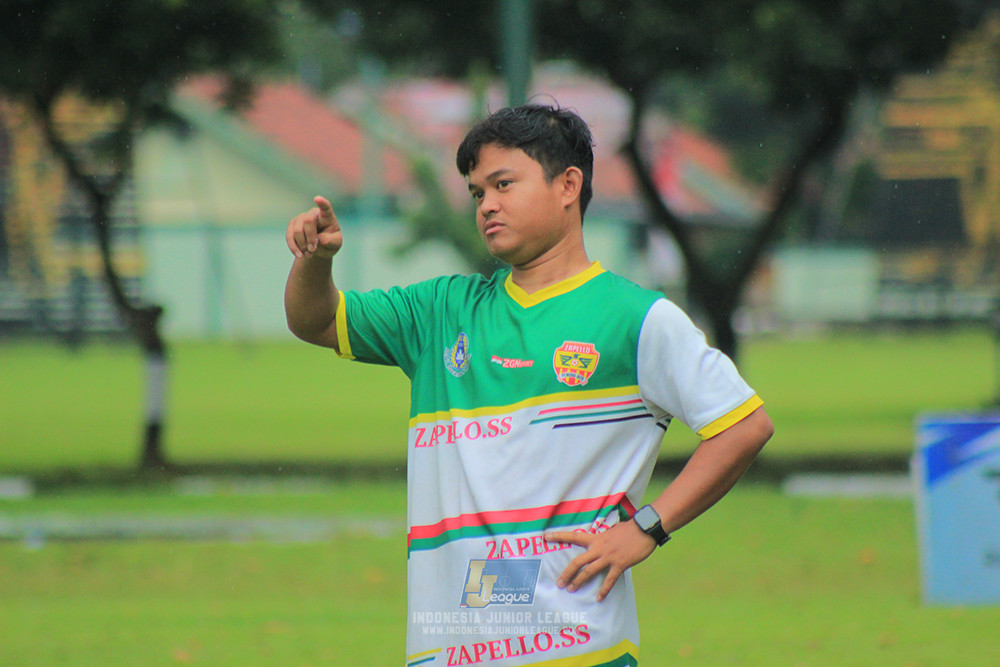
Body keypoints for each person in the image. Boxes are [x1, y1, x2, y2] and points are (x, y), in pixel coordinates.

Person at [284, 104, 773, 667]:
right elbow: (316, 321)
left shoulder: (636, 318)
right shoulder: (440, 312)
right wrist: (314, 261)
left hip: (577, 648)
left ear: (568, 186)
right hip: (447, 649)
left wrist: (647, 528)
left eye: (503, 184)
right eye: (477, 193)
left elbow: (744, 425)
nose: (486, 204)